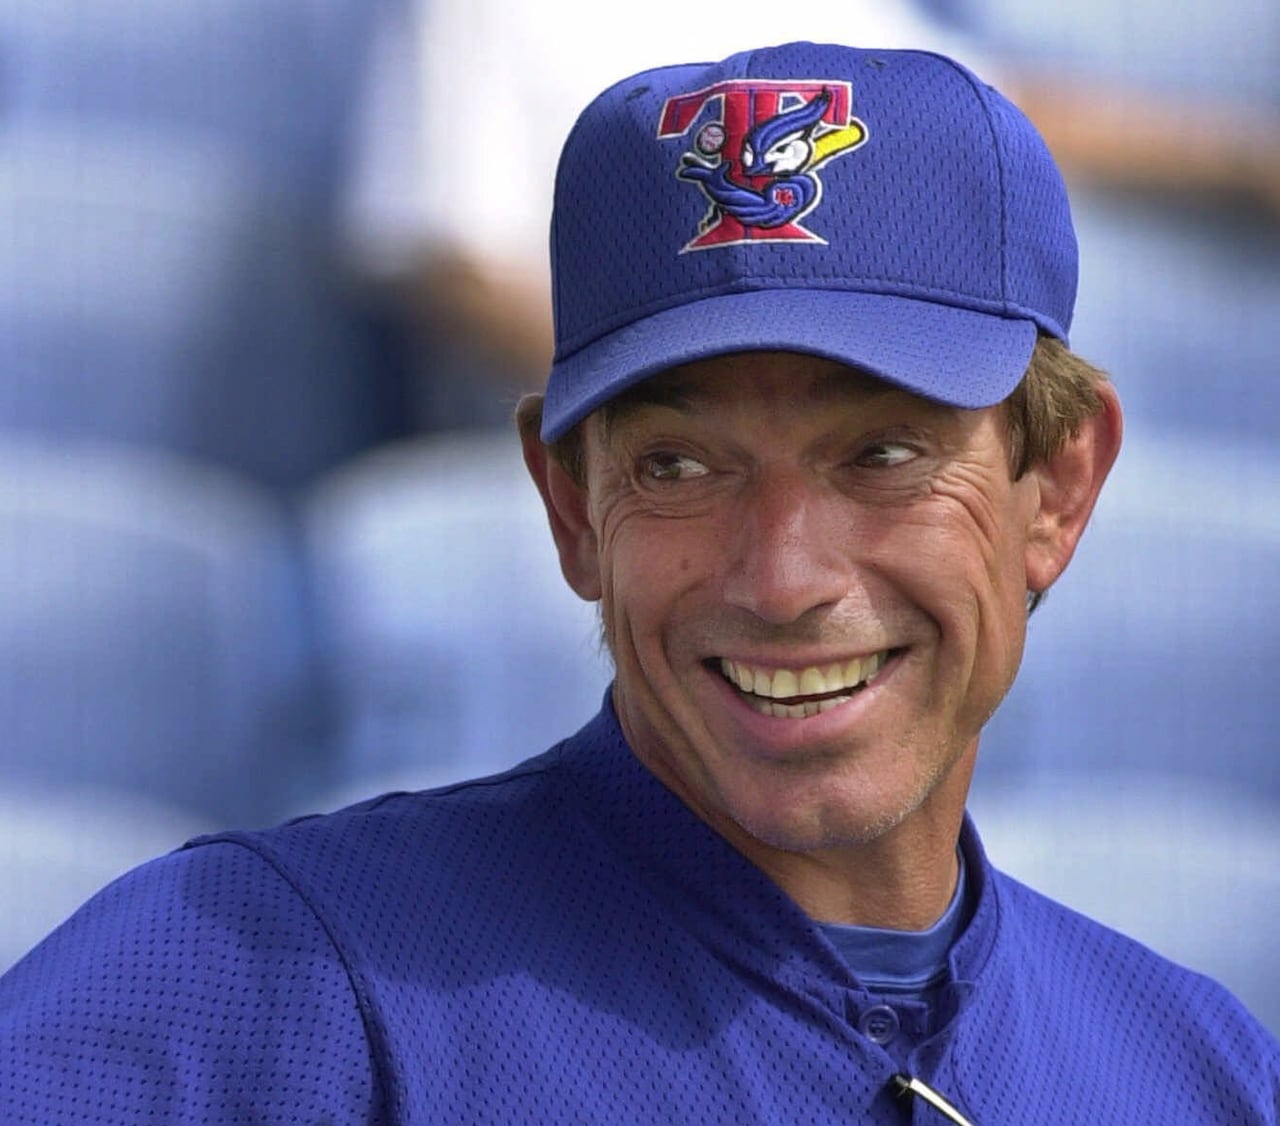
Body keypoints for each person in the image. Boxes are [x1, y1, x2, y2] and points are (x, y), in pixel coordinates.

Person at [1, 39, 1277, 1123]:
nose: (781, 578)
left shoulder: (1196, 1071)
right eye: (677, 465)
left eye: (883, 454)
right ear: (570, 506)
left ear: (1055, 488)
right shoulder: (252, 973)